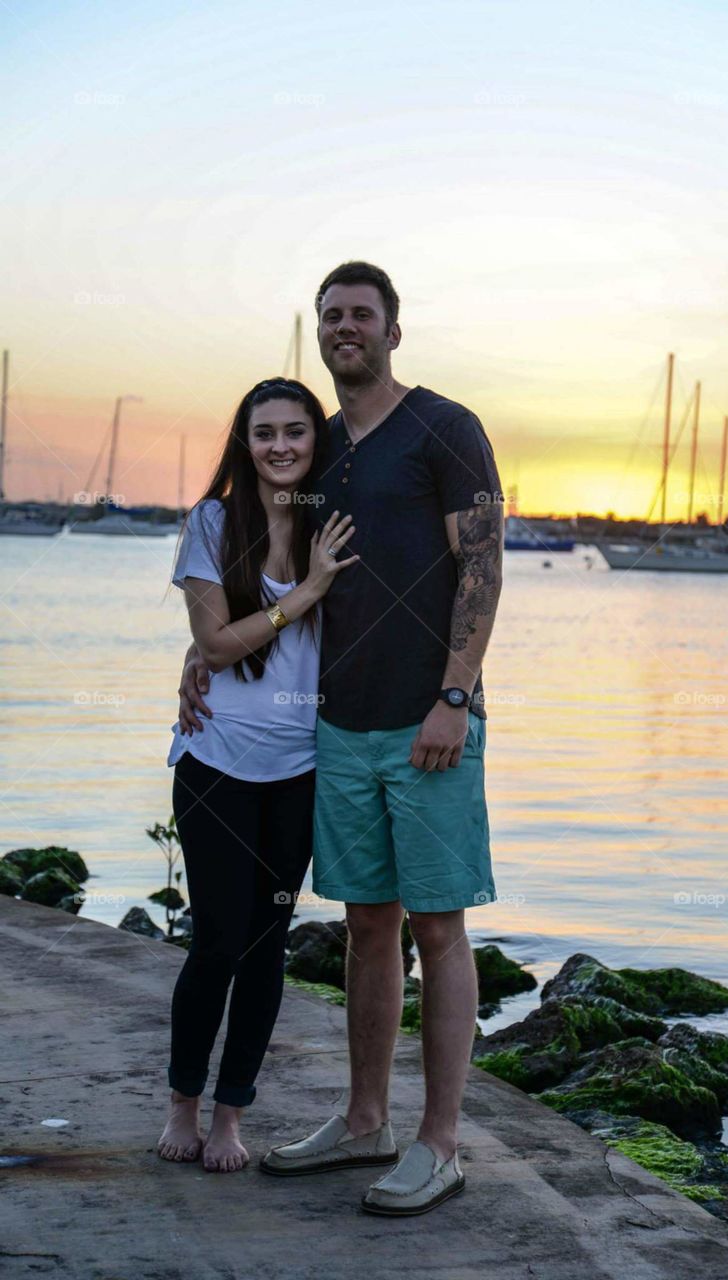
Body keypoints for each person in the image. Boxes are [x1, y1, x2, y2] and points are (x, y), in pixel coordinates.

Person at [178, 262, 504, 1213]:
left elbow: (482, 570)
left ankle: (439, 1144)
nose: (344, 328)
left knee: (438, 931)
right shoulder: (323, 455)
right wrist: (201, 657)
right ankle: (366, 1122)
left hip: (427, 723)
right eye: (331, 317)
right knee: (367, 927)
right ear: (319, 335)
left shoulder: (446, 428)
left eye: (361, 315)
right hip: (336, 730)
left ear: (393, 331)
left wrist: (455, 694)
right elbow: (263, 573)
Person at [159, 376, 358, 1173]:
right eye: (265, 432)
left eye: (296, 433)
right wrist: (304, 594)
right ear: (245, 443)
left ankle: (231, 1114)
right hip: (215, 765)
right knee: (215, 942)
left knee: (267, 945)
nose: (280, 446)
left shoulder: (335, 527)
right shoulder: (213, 523)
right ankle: (182, 1100)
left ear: (317, 444)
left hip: (298, 771)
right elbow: (212, 644)